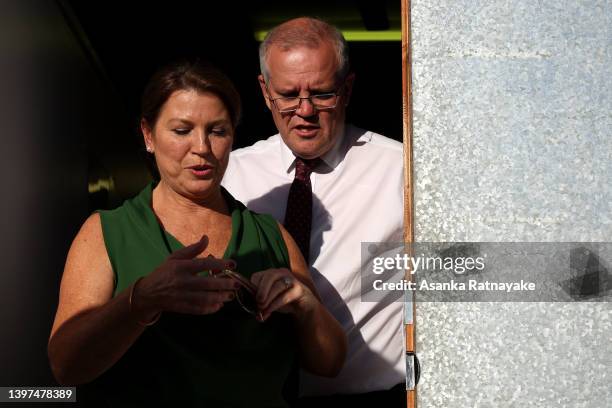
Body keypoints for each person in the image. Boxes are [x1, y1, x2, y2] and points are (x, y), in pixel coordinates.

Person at [48, 60, 346, 407]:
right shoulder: (108, 232)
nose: (202, 147)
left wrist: (306, 307)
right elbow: (66, 365)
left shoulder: (270, 235)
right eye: (181, 130)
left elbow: (330, 363)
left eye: (217, 131)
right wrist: (141, 300)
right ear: (148, 135)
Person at [222, 17, 405, 406]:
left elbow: (464, 280)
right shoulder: (231, 175)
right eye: (288, 95)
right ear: (264, 90)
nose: (304, 111)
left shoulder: (403, 171)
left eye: (322, 93)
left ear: (348, 88)